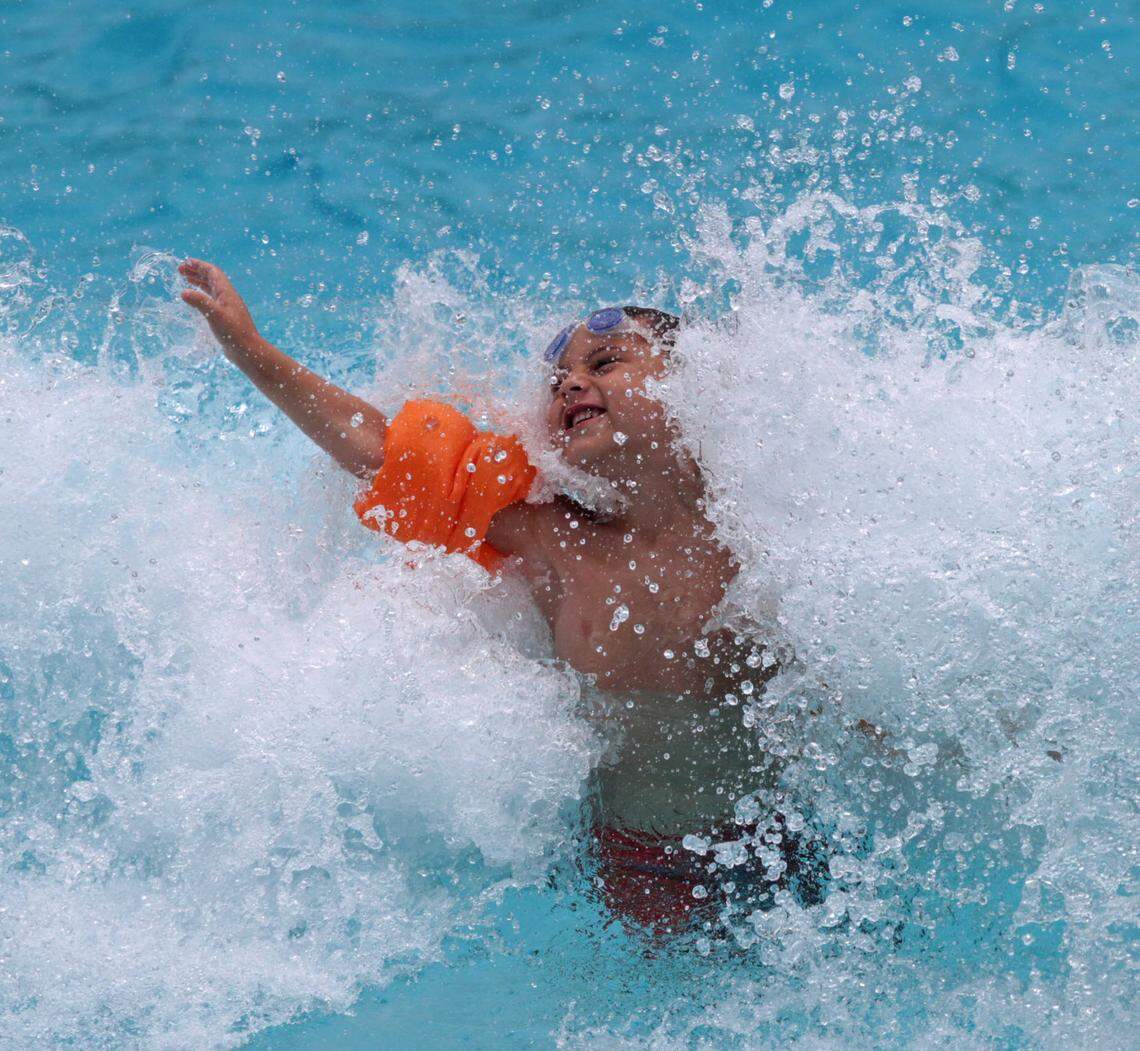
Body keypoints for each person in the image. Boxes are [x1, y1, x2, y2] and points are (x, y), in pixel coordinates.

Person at [179, 257, 827, 933]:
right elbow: (380, 451)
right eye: (558, 380)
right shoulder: (550, 539)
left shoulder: (763, 536)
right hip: (632, 860)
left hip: (775, 842)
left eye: (605, 362)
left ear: (696, 389)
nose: (572, 382)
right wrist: (251, 351)